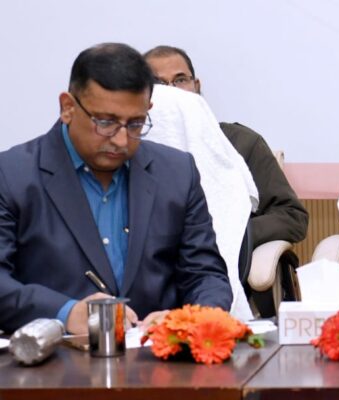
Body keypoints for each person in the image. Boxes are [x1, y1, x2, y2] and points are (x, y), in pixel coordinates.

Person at [0, 43, 232, 334]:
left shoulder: (177, 172)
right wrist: (66, 313)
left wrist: (189, 319)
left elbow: (206, 275)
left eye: (135, 124)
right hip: (54, 353)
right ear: (68, 107)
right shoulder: (12, 175)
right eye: (106, 123)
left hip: (156, 352)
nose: (122, 141)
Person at [143, 46, 308, 249]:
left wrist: (232, 234)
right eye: (158, 83)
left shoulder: (241, 142)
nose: (171, 91)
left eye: (180, 80)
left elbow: (291, 216)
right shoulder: (131, 151)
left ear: (196, 86)